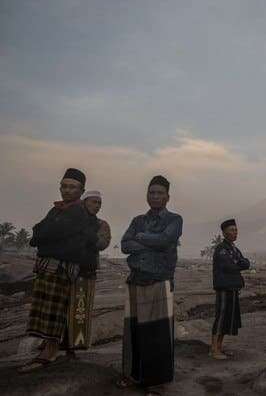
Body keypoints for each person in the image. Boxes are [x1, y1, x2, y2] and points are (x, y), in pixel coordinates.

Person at [19, 168, 99, 373]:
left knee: (55, 311)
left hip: (63, 269)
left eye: (72, 187)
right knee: (43, 309)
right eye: (64, 186)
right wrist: (48, 239)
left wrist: (47, 241)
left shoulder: (80, 212)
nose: (67, 190)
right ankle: (48, 347)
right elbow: (37, 234)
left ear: (81, 190)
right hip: (48, 268)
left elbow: (67, 245)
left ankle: (51, 351)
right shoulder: (56, 210)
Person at [118, 175, 183, 395]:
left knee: (157, 333)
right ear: (147, 195)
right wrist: (152, 241)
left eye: (159, 193)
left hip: (159, 280)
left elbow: (166, 240)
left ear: (167, 197)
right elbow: (125, 245)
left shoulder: (175, 219)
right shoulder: (138, 220)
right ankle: (134, 374)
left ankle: (156, 381)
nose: (155, 196)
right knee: (134, 331)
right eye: (151, 192)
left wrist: (143, 238)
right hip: (136, 281)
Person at [62, 190, 111, 355]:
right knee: (62, 307)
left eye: (99, 203)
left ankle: (73, 348)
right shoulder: (71, 219)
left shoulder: (102, 224)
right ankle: (56, 344)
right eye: (93, 202)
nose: (97, 206)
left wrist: (85, 233)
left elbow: (102, 243)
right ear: (84, 202)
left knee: (80, 310)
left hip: (87, 271)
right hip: (65, 269)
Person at [211, 218, 250, 360]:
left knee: (228, 319)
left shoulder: (234, 249)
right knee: (221, 317)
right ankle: (214, 350)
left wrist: (237, 263)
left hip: (233, 288)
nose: (235, 233)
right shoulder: (221, 249)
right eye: (232, 230)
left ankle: (219, 348)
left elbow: (246, 263)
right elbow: (229, 266)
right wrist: (237, 263)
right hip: (224, 288)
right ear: (224, 233)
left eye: (236, 230)